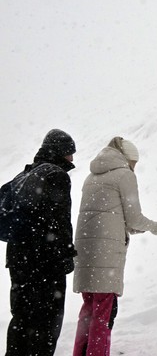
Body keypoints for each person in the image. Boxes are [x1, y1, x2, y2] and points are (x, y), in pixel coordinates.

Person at [71, 137, 157, 356]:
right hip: (106, 254)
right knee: (104, 311)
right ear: (128, 159)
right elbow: (133, 218)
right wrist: (152, 227)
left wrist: (133, 227)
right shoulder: (124, 175)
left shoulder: (91, 177)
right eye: (134, 163)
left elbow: (111, 215)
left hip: (85, 251)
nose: (134, 168)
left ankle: (80, 352)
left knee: (88, 308)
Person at [4, 129, 78, 356]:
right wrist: (66, 255)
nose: (72, 159)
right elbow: (59, 220)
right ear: (60, 152)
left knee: (21, 318)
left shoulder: (23, 175)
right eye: (69, 153)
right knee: (45, 323)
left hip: (19, 260)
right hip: (45, 262)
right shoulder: (56, 175)